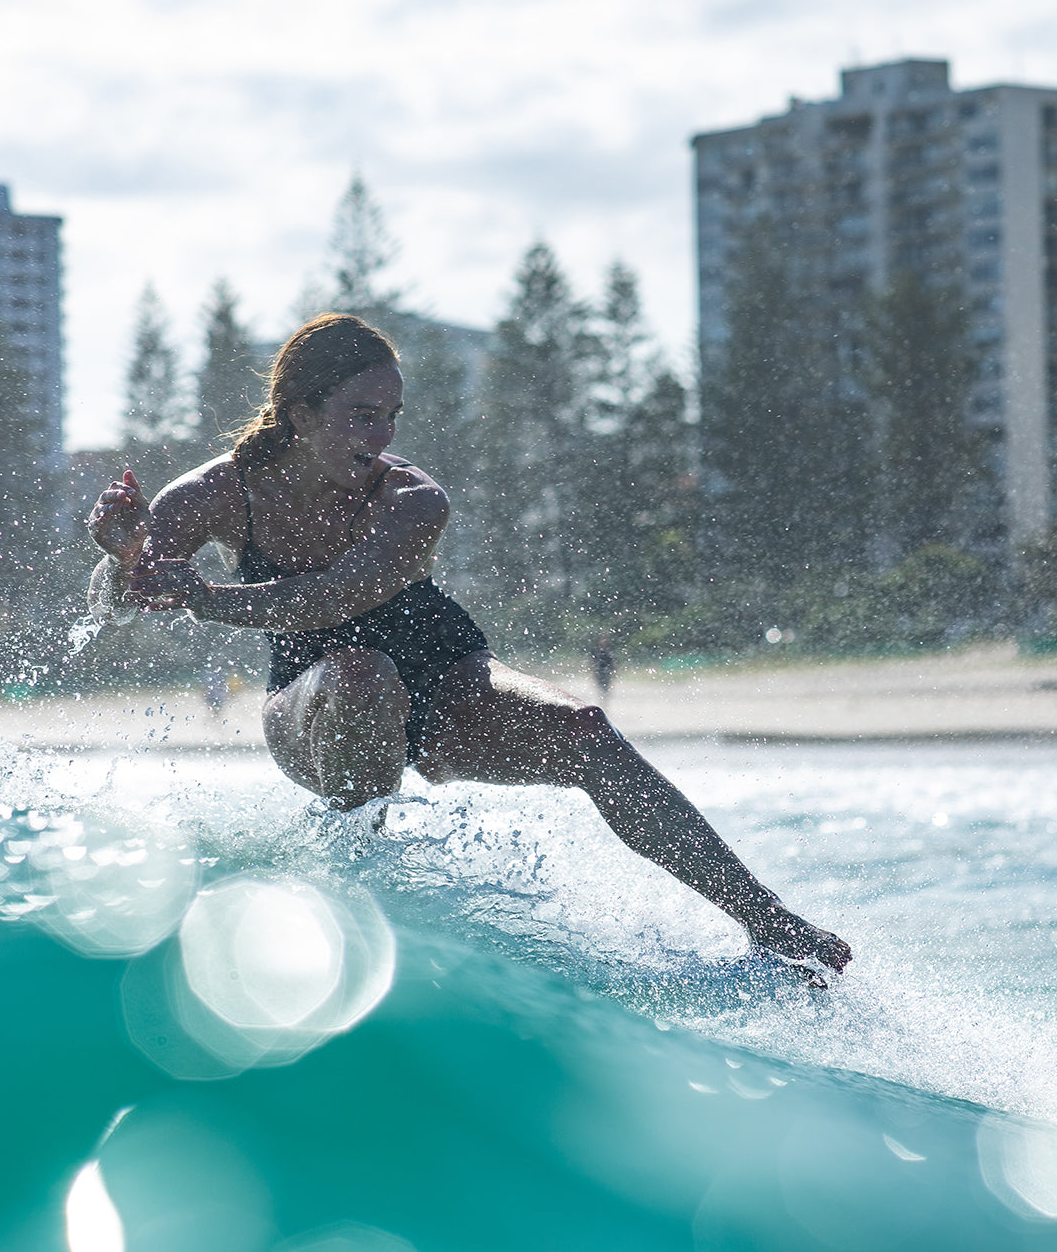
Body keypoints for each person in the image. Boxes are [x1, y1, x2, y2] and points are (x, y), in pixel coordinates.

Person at [87, 313, 851, 979]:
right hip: (315, 700)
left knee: (585, 731)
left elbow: (338, 595)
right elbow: (119, 606)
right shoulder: (214, 493)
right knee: (360, 673)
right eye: (360, 414)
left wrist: (206, 600)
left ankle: (770, 923)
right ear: (299, 413)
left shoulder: (412, 498)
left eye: (391, 415)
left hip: (447, 676)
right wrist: (122, 560)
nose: (381, 435)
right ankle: (359, 919)